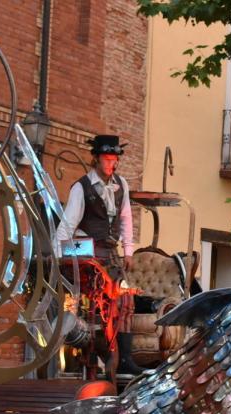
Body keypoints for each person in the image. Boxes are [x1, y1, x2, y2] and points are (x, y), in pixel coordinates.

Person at [55, 134, 142, 378]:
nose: (110, 165)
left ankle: (123, 359)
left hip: (111, 254)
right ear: (95, 159)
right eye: (106, 159)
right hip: (89, 254)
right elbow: (67, 224)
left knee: (126, 301)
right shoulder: (81, 188)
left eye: (114, 160)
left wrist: (128, 250)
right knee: (93, 305)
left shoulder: (121, 185)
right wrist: (57, 255)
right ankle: (89, 352)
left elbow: (126, 218)